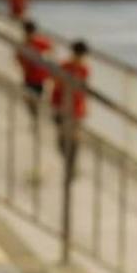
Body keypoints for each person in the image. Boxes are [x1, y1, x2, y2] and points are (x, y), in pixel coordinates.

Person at [51, 40, 91, 182]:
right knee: (61, 142)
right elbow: (57, 86)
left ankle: (70, 168)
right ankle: (70, 166)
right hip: (62, 108)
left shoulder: (84, 70)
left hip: (76, 111)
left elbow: (83, 92)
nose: (80, 58)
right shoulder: (65, 66)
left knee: (74, 140)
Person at [17, 20, 53, 127]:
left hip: (39, 78)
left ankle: (36, 118)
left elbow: (50, 56)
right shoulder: (24, 44)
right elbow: (19, 59)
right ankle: (35, 117)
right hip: (29, 77)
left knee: (35, 98)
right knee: (28, 99)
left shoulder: (40, 43)